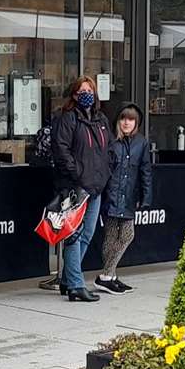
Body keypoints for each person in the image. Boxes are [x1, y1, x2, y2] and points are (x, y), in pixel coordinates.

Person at [50, 76, 114, 302]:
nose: (86, 93)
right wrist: (77, 174)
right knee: (74, 235)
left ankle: (68, 280)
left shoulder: (101, 119)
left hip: (96, 186)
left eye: (90, 90)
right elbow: (61, 150)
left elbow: (108, 149)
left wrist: (105, 173)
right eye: (81, 90)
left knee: (87, 234)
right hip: (75, 185)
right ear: (74, 94)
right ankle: (76, 284)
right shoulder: (66, 118)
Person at [98, 103, 155, 293]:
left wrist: (146, 197)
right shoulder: (111, 142)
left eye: (131, 119)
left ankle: (109, 275)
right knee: (112, 235)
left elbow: (145, 171)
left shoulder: (141, 143)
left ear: (136, 122)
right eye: (123, 118)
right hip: (111, 195)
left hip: (129, 195)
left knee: (127, 235)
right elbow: (105, 169)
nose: (126, 122)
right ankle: (107, 276)